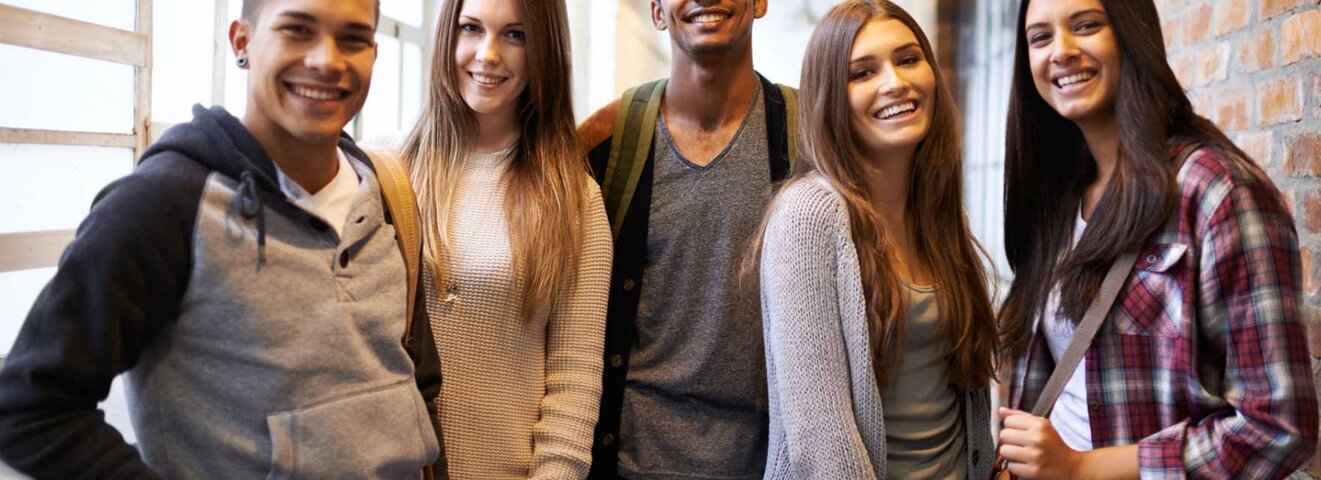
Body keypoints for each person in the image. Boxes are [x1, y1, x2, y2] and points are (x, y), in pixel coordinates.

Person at [0, 0, 446, 478]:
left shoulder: (387, 192)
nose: (326, 60)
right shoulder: (164, 203)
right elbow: (28, 408)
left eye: (353, 39)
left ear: (373, 55)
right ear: (242, 41)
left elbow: (417, 386)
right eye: (298, 29)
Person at [994, 0, 1318, 478]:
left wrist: (1084, 469)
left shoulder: (1217, 193)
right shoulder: (1056, 195)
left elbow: (1277, 427)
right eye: (1040, 37)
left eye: (1085, 26)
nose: (1060, 51)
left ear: (1131, 33)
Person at [753, 2, 997, 479]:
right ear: (830, 97)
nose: (895, 82)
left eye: (908, 59)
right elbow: (820, 443)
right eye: (863, 72)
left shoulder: (938, 213)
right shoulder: (809, 216)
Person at [387, 0, 611, 477]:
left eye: (516, 35)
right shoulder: (388, 172)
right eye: (471, 28)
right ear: (447, 35)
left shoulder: (573, 197)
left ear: (543, 51)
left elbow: (574, 382)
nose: (488, 53)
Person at [575, 0, 798, 478]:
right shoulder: (604, 143)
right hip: (632, 462)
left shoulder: (810, 137)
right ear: (657, 10)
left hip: (772, 463)